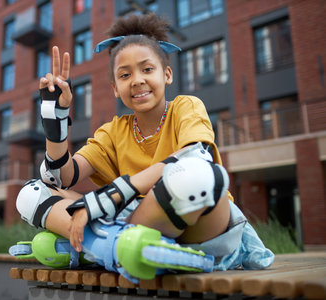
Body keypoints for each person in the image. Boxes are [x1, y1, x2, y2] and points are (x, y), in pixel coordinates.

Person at [15, 13, 273, 277]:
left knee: (196, 175)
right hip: (136, 220)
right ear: (115, 88)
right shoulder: (113, 131)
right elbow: (60, 178)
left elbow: (196, 157)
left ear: (167, 74)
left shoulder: (187, 107)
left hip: (199, 226)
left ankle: (94, 247)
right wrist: (55, 119)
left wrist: (106, 199)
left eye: (147, 69)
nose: (137, 80)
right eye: (125, 75)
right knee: (31, 193)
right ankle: (122, 248)